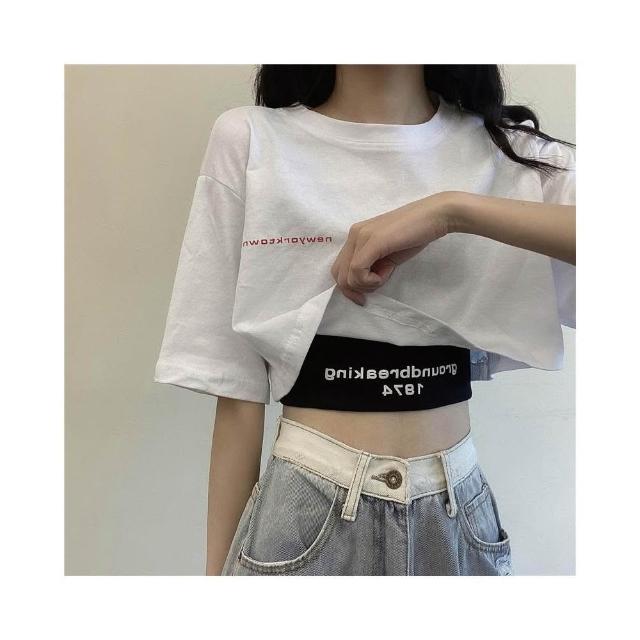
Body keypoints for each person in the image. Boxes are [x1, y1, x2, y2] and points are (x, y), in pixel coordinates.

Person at [153, 64, 576, 576]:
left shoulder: (509, 154)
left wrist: (452, 212)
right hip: (304, 508)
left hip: (457, 515)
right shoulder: (251, 139)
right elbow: (235, 384)